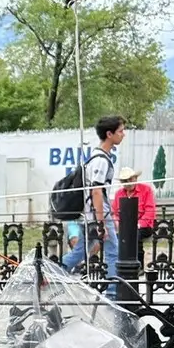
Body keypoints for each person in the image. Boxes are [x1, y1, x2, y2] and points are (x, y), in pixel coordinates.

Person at [61, 116, 126, 292]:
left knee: (80, 252)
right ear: (109, 134)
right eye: (120, 131)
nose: (123, 135)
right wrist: (101, 222)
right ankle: (114, 292)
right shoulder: (101, 160)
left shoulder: (98, 157)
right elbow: (96, 191)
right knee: (113, 252)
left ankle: (52, 274)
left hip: (92, 214)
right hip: (98, 215)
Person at [112, 167, 156, 263]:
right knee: (116, 238)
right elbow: (114, 213)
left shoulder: (146, 190)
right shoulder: (118, 193)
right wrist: (118, 224)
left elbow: (150, 211)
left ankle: (138, 265)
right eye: (125, 180)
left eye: (130, 179)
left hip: (143, 226)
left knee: (135, 235)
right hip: (124, 226)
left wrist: (138, 225)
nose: (128, 182)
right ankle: (120, 263)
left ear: (135, 178)